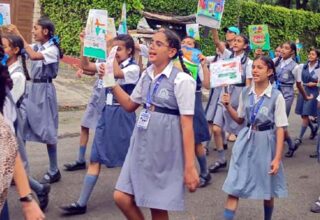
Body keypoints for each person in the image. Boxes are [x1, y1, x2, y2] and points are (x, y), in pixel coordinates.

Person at [111, 29, 199, 220]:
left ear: (172, 52)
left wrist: (190, 167)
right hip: (141, 142)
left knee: (157, 206)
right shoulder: (147, 74)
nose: (152, 46)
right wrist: (111, 82)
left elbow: (187, 125)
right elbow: (128, 105)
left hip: (164, 147)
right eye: (152, 42)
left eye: (159, 44)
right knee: (121, 197)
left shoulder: (182, 80)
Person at [60, 34, 140, 215]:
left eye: (119, 49)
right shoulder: (108, 63)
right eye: (113, 48)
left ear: (129, 51)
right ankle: (81, 202)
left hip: (123, 115)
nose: (115, 52)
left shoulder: (134, 69)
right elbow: (86, 66)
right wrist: (84, 46)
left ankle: (136, 193)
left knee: (129, 159)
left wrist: (110, 57)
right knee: (95, 158)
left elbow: (117, 73)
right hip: (106, 112)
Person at [221, 56, 288, 220]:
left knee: (268, 189)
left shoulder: (276, 96)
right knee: (234, 185)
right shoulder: (246, 92)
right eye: (254, 67)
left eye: (260, 67)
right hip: (245, 141)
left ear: (270, 71)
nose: (255, 70)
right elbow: (240, 119)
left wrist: (277, 158)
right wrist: (228, 106)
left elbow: (280, 129)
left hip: (266, 143)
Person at [8, 17, 63, 184]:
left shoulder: (52, 49)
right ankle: (18, 171)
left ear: (45, 31)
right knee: (21, 128)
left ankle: (54, 169)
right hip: (31, 90)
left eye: (35, 28)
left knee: (48, 130)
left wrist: (19, 34)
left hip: (44, 91)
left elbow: (33, 55)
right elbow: (22, 51)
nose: (33, 31)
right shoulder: (37, 45)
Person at [2, 33, 51, 210]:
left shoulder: (18, 76)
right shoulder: (5, 68)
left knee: (12, 164)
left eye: (4, 46)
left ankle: (38, 189)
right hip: (6, 121)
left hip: (12, 122)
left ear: (15, 50)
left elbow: (8, 103)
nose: (2, 50)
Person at [209, 29, 252, 173]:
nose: (235, 43)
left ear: (245, 46)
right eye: (234, 41)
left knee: (240, 132)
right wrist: (213, 24)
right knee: (216, 128)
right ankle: (221, 159)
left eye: (239, 41)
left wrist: (244, 103)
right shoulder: (228, 55)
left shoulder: (249, 63)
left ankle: (241, 159)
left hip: (239, 98)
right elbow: (216, 41)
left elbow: (248, 84)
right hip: (225, 95)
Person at [63, 30, 106, 171]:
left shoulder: (115, 57)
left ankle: (108, 157)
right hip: (96, 95)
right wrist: (82, 70)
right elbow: (91, 69)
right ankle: (80, 160)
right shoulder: (101, 54)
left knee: (105, 130)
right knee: (85, 125)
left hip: (109, 98)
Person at [180, 36, 211, 187]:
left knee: (196, 140)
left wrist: (204, 66)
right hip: (177, 101)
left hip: (194, 100)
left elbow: (207, 85)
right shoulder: (173, 60)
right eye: (183, 43)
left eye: (190, 44)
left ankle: (205, 171)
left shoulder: (197, 63)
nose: (186, 46)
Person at [273, 42, 312, 158]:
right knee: (274, 120)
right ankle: (291, 144)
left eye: (286, 48)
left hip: (287, 94)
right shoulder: (276, 61)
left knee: (280, 122)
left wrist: (305, 97)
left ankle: (287, 145)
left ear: (292, 52)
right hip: (275, 93)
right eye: (282, 47)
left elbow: (299, 85)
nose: (283, 50)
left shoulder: (295, 67)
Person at [294, 48, 320, 157]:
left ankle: (299, 138)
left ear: (317, 57)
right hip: (303, 91)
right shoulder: (303, 66)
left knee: (306, 114)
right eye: (309, 53)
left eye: (313, 54)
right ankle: (313, 128)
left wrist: (314, 84)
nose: (310, 55)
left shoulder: (319, 68)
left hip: (313, 92)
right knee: (303, 113)